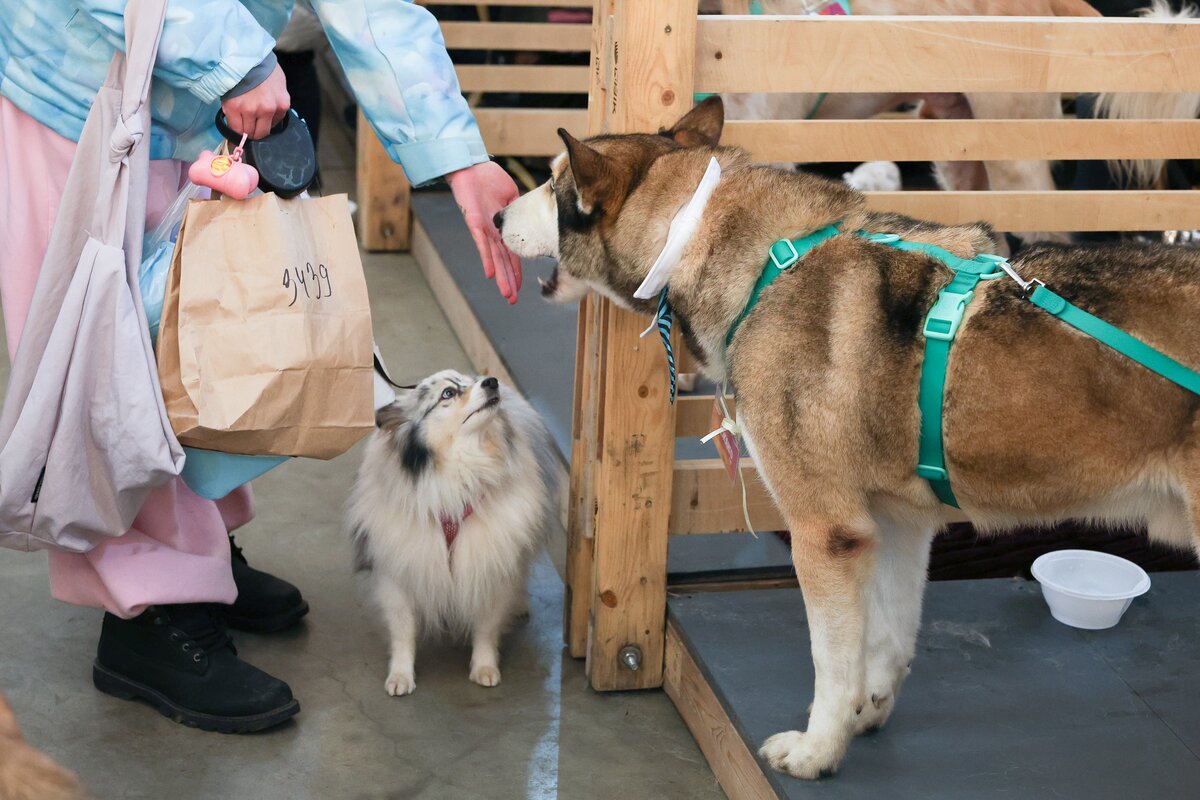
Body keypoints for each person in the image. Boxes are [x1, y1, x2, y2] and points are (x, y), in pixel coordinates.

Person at [0, 0, 524, 733]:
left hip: (190, 92)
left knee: (190, 335)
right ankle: (151, 613)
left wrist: (458, 156)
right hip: (86, 80)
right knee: (114, 358)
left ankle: (199, 559)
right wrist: (237, 59)